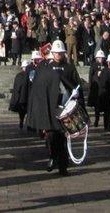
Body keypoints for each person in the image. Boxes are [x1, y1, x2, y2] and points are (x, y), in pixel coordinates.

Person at [24, 40, 83, 176]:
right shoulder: (46, 67)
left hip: (65, 107)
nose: (58, 55)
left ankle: (63, 166)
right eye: (56, 53)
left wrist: (76, 92)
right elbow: (40, 87)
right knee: (51, 136)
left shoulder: (69, 67)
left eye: (60, 53)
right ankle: (52, 156)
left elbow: (75, 83)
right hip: (50, 107)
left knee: (63, 138)